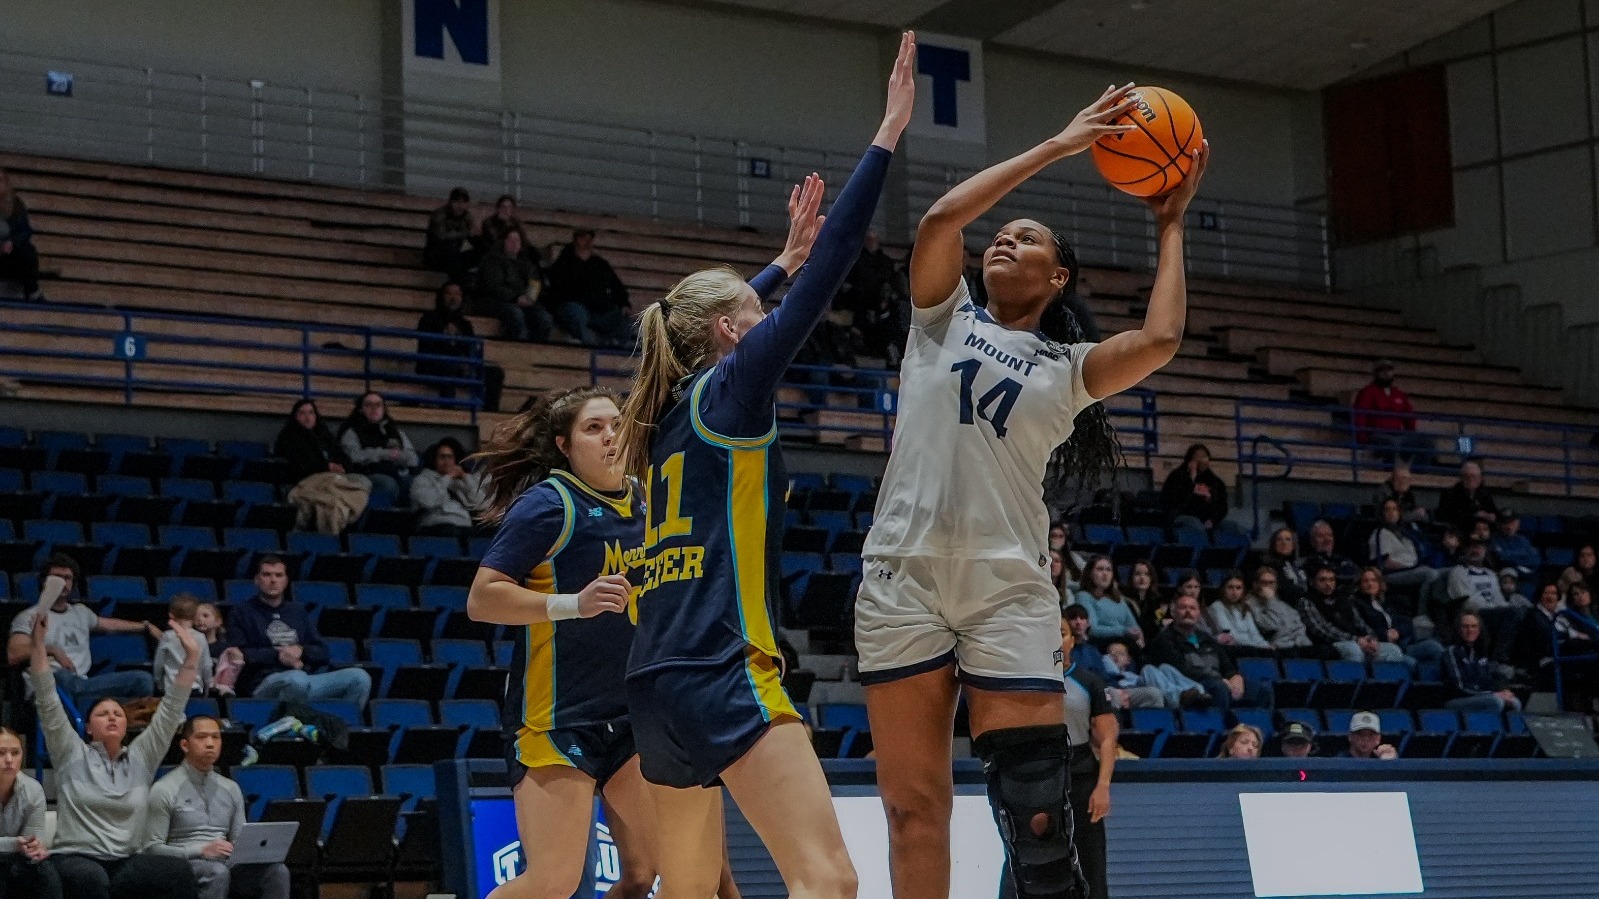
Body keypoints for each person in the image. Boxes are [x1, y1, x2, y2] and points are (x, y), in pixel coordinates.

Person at [845, 72, 1206, 899]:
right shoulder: (942, 318)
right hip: (900, 576)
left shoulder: (1071, 369)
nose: (1004, 241)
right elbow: (942, 220)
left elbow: (1160, 336)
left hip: (1006, 585)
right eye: (1000, 235)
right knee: (910, 811)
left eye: (1028, 239)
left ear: (1057, 278)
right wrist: (1057, 144)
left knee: (1039, 815)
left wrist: (1172, 224)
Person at [609, 37, 915, 899]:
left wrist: (773, 262)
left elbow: (694, 320)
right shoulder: (731, 390)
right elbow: (838, 259)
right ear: (734, 336)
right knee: (828, 879)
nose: (769, 312)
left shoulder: (663, 408)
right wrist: (887, 132)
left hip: (655, 680)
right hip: (721, 663)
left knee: (692, 890)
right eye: (757, 311)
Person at [466, 386, 739, 899]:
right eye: (593, 428)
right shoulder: (549, 504)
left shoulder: (648, 498)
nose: (611, 436)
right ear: (564, 446)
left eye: (616, 423)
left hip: (633, 718)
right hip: (557, 717)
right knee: (553, 881)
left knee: (660, 872)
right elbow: (482, 599)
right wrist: (572, 603)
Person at [31, 610, 200, 899]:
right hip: (75, 857)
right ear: (88, 729)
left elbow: (171, 710)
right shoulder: (70, 752)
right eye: (102, 714)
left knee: (178, 872)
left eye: (117, 714)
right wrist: (37, 644)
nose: (111, 717)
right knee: (92, 880)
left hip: (126, 859)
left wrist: (192, 657)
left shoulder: (141, 757)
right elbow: (47, 700)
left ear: (125, 725)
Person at [141, 716, 290, 899]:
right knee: (216, 872)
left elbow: (238, 840)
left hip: (225, 863)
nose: (210, 743)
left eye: (216, 737)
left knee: (277, 871)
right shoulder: (164, 789)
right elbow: (151, 848)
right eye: (202, 737)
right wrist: (201, 850)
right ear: (185, 745)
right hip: (184, 865)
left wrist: (254, 851)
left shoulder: (231, 788)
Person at [7, 555, 160, 710]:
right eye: (57, 577)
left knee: (143, 680)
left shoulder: (81, 612)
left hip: (82, 683)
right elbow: (14, 654)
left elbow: (110, 624)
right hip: (49, 684)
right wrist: (53, 649)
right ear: (44, 582)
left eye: (67, 578)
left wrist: (145, 626)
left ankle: (115, 722)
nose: (62, 583)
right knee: (61, 678)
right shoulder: (30, 615)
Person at [228, 556, 371, 706]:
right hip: (263, 683)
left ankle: (338, 726)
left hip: (305, 679)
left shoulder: (298, 611)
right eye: (267, 575)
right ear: (257, 580)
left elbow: (323, 652)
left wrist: (301, 650)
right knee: (296, 679)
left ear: (286, 581)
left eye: (278, 575)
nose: (273, 580)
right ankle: (291, 726)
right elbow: (238, 654)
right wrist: (279, 656)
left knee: (359, 677)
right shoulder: (241, 612)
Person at [1146, 594, 1264, 713]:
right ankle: (1224, 727)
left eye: (1192, 608)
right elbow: (1182, 671)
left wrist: (1235, 677)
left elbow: (1227, 666)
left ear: (1198, 614)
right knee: (1218, 688)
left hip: (1218, 681)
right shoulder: (1164, 639)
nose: (1188, 611)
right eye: (1183, 608)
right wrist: (1220, 680)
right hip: (1192, 686)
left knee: (1261, 691)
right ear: (1174, 612)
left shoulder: (1207, 639)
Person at [417, 281, 505, 412]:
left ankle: (489, 413)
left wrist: (467, 363)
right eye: (449, 293)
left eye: (457, 294)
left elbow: (471, 349)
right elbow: (426, 348)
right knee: (448, 368)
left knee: (495, 373)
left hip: (459, 367)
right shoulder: (428, 319)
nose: (453, 297)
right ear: (441, 296)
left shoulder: (465, 324)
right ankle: (448, 411)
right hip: (435, 366)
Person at [1296, 563, 1406, 665]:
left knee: (1392, 650)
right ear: (1313, 582)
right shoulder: (1306, 602)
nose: (1328, 584)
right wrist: (1356, 640)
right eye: (1322, 580)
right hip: (1328, 645)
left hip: (1356, 641)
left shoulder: (1344, 600)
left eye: (1331, 580)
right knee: (1353, 649)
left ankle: (1383, 685)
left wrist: (1371, 639)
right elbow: (1322, 630)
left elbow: (1359, 623)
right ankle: (1355, 684)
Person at [546, 229, 634, 347]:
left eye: (589, 239)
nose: (587, 242)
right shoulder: (563, 263)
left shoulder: (601, 264)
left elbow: (617, 286)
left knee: (624, 319)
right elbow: (558, 291)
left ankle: (614, 348)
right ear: (576, 240)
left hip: (600, 309)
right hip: (577, 307)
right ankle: (591, 346)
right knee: (577, 314)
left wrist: (624, 303)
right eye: (583, 239)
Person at [0, 726, 59, 898]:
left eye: (15, 753)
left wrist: (33, 846)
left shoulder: (33, 789)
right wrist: (14, 844)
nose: (9, 759)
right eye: (1, 753)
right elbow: (17, 844)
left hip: (15, 859)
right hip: (12, 852)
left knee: (43, 869)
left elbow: (33, 839)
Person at [1446, 537, 1529, 658]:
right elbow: (1466, 601)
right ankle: (1499, 658)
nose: (1474, 550)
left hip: (1495, 613)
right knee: (1512, 614)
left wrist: (1507, 610)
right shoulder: (1459, 572)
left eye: (1478, 547)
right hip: (1475, 614)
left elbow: (1499, 599)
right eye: (1471, 547)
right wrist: (1497, 610)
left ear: (1485, 551)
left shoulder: (1491, 574)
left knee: (1525, 613)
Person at [1351, 568, 1443, 672]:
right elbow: (1363, 630)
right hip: (1381, 648)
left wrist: (1397, 632)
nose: (1370, 584)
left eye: (1374, 580)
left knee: (1435, 647)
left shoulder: (1386, 604)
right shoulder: (1357, 605)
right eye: (1366, 581)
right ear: (1360, 585)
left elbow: (1407, 623)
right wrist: (1386, 635)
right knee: (1411, 663)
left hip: (1402, 644)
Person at [338, 391, 419, 497]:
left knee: (415, 484)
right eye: (369, 405)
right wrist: (384, 454)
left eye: (378, 405)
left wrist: (400, 456)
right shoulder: (352, 431)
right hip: (366, 474)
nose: (374, 408)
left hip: (397, 471)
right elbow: (354, 457)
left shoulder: (395, 431)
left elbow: (413, 458)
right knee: (388, 484)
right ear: (360, 409)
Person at [477, 230, 552, 343]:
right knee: (516, 315)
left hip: (523, 301)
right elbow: (495, 286)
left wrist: (530, 297)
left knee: (545, 319)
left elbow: (535, 281)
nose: (514, 243)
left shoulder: (527, 263)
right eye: (510, 240)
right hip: (497, 301)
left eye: (517, 240)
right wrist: (516, 298)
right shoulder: (492, 260)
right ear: (503, 242)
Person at [1440, 612, 1521, 714]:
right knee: (1495, 701)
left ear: (1479, 630)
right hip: (1456, 699)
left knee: (1514, 702)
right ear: (1459, 630)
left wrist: (1503, 690)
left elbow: (1491, 678)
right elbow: (1459, 686)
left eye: (1474, 626)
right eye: (1466, 626)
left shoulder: (1481, 652)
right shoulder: (1451, 652)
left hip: (1481, 696)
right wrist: (1492, 694)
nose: (1470, 630)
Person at [1352, 360, 1431, 464]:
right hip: (1377, 435)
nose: (1386, 373)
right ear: (1376, 373)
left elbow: (1409, 416)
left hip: (1398, 434)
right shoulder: (1367, 392)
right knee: (1390, 444)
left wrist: (1410, 434)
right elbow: (1360, 416)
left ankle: (1417, 474)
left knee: (1426, 442)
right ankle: (1390, 473)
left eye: (1389, 370)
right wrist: (1362, 438)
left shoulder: (1399, 394)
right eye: (1382, 370)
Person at [1366, 498, 1441, 606]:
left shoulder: (1406, 534)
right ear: (1382, 514)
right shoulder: (1380, 534)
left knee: (1450, 572)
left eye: (1395, 509)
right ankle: (1422, 613)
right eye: (1387, 510)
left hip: (1415, 569)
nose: (1392, 513)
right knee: (1430, 574)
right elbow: (1384, 563)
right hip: (1393, 575)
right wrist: (1411, 568)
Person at [410, 438, 486, 537]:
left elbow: (481, 503)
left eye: (450, 457)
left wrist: (465, 477)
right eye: (442, 457)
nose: (446, 461)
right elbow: (428, 502)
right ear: (434, 460)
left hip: (464, 525)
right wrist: (447, 478)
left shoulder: (460, 481)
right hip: (437, 525)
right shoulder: (422, 480)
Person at [273, 399, 358, 486]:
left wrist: (343, 466)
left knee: (361, 481)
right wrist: (327, 467)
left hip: (333, 476)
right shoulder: (289, 436)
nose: (307, 417)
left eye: (311, 412)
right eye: (302, 413)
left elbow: (339, 453)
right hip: (305, 481)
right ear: (295, 416)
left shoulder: (323, 434)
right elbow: (301, 463)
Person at [1101, 641, 1207, 710]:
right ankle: (1178, 698)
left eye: (1122, 653)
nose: (1115, 657)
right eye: (1113, 654)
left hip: (1143, 684)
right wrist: (1111, 658)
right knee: (1148, 669)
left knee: (1165, 667)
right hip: (1130, 689)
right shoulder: (1111, 670)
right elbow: (1110, 669)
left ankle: (1199, 692)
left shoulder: (1130, 672)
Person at [1159, 443, 1230, 534]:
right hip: (1181, 516)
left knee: (1232, 528)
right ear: (1190, 460)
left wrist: (1213, 521)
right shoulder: (1177, 476)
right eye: (1197, 457)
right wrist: (1191, 479)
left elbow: (1222, 506)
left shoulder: (1215, 482)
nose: (1202, 460)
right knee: (1196, 525)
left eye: (1205, 457)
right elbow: (1175, 502)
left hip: (1207, 520)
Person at [1075, 556, 1143, 649]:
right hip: (1102, 645)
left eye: (1108, 570)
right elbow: (1092, 630)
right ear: (1090, 573)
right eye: (1100, 569)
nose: (1105, 573)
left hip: (1126, 644)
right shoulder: (1084, 596)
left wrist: (1138, 636)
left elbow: (1133, 626)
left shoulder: (1119, 599)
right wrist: (1124, 631)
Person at [153, 595, 215, 696]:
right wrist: (207, 685)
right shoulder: (201, 637)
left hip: (171, 688)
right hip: (193, 688)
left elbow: (159, 663)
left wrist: (158, 682)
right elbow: (206, 664)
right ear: (195, 615)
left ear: (171, 615)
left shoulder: (167, 636)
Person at [1246, 567, 1314, 657]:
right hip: (1275, 650)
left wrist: (1306, 648)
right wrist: (1270, 600)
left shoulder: (1283, 605)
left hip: (1296, 647)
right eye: (1264, 583)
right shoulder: (1250, 605)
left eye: (1271, 583)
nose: (1268, 586)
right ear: (1255, 584)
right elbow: (1270, 626)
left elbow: (1299, 628)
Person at [1205, 572, 1273, 656]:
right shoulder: (1216, 607)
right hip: (1233, 650)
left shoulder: (1244, 608)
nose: (1234, 592)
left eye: (1238, 588)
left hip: (1252, 648)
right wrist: (1256, 646)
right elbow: (1229, 635)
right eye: (1230, 587)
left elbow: (1254, 633)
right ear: (1223, 589)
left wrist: (1266, 645)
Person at [0, 169, 42, 301]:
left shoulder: (15, 204)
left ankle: (33, 292)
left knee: (28, 251)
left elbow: (25, 231)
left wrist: (12, 242)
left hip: (10, 257)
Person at [423, 186, 476, 282]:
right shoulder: (439, 214)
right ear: (450, 202)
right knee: (452, 245)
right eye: (457, 202)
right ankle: (458, 280)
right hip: (436, 255)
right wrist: (466, 233)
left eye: (463, 202)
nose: (460, 206)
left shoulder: (467, 216)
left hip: (455, 256)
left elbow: (471, 236)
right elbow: (441, 236)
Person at [1436, 460, 1498, 534]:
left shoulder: (1485, 494)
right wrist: (1475, 515)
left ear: (1480, 478)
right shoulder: (1450, 493)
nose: (1470, 479)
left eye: (1473, 476)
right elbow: (1446, 516)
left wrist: (1492, 516)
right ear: (1461, 478)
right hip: (1459, 532)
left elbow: (1494, 511)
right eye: (1466, 476)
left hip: (1482, 533)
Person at [194, 602, 241, 697]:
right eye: (195, 616)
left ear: (218, 622)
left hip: (217, 688)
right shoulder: (191, 646)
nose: (200, 619)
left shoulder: (225, 648)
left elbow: (230, 672)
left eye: (205, 616)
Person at [1299, 520, 1360, 586]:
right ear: (1312, 541)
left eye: (1329, 535)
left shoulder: (1343, 560)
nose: (1327, 539)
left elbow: (1357, 575)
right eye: (1321, 536)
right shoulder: (1304, 563)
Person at [477, 194, 535, 259]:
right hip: (495, 254)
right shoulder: (489, 222)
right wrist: (504, 223)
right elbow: (495, 241)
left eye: (509, 207)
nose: (506, 209)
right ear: (498, 208)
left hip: (515, 253)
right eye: (503, 207)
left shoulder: (515, 222)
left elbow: (523, 239)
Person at [1261, 527, 1307, 602]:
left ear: (1294, 544)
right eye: (1279, 539)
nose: (1284, 543)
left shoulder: (1300, 566)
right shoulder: (1270, 567)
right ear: (1274, 544)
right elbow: (1284, 590)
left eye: (1288, 539)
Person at [1489, 510, 1539, 574]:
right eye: (1505, 523)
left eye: (1512, 523)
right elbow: (1502, 559)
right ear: (1498, 524)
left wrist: (1513, 559)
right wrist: (1522, 555)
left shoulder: (1522, 540)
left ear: (1518, 523)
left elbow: (1535, 560)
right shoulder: (1493, 540)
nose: (1509, 526)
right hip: (1505, 576)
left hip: (1526, 575)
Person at [1061, 606, 1104, 674]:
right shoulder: (1060, 650)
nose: (1078, 622)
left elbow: (1103, 677)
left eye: (1082, 618)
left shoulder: (1093, 651)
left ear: (1088, 623)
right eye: (1073, 618)